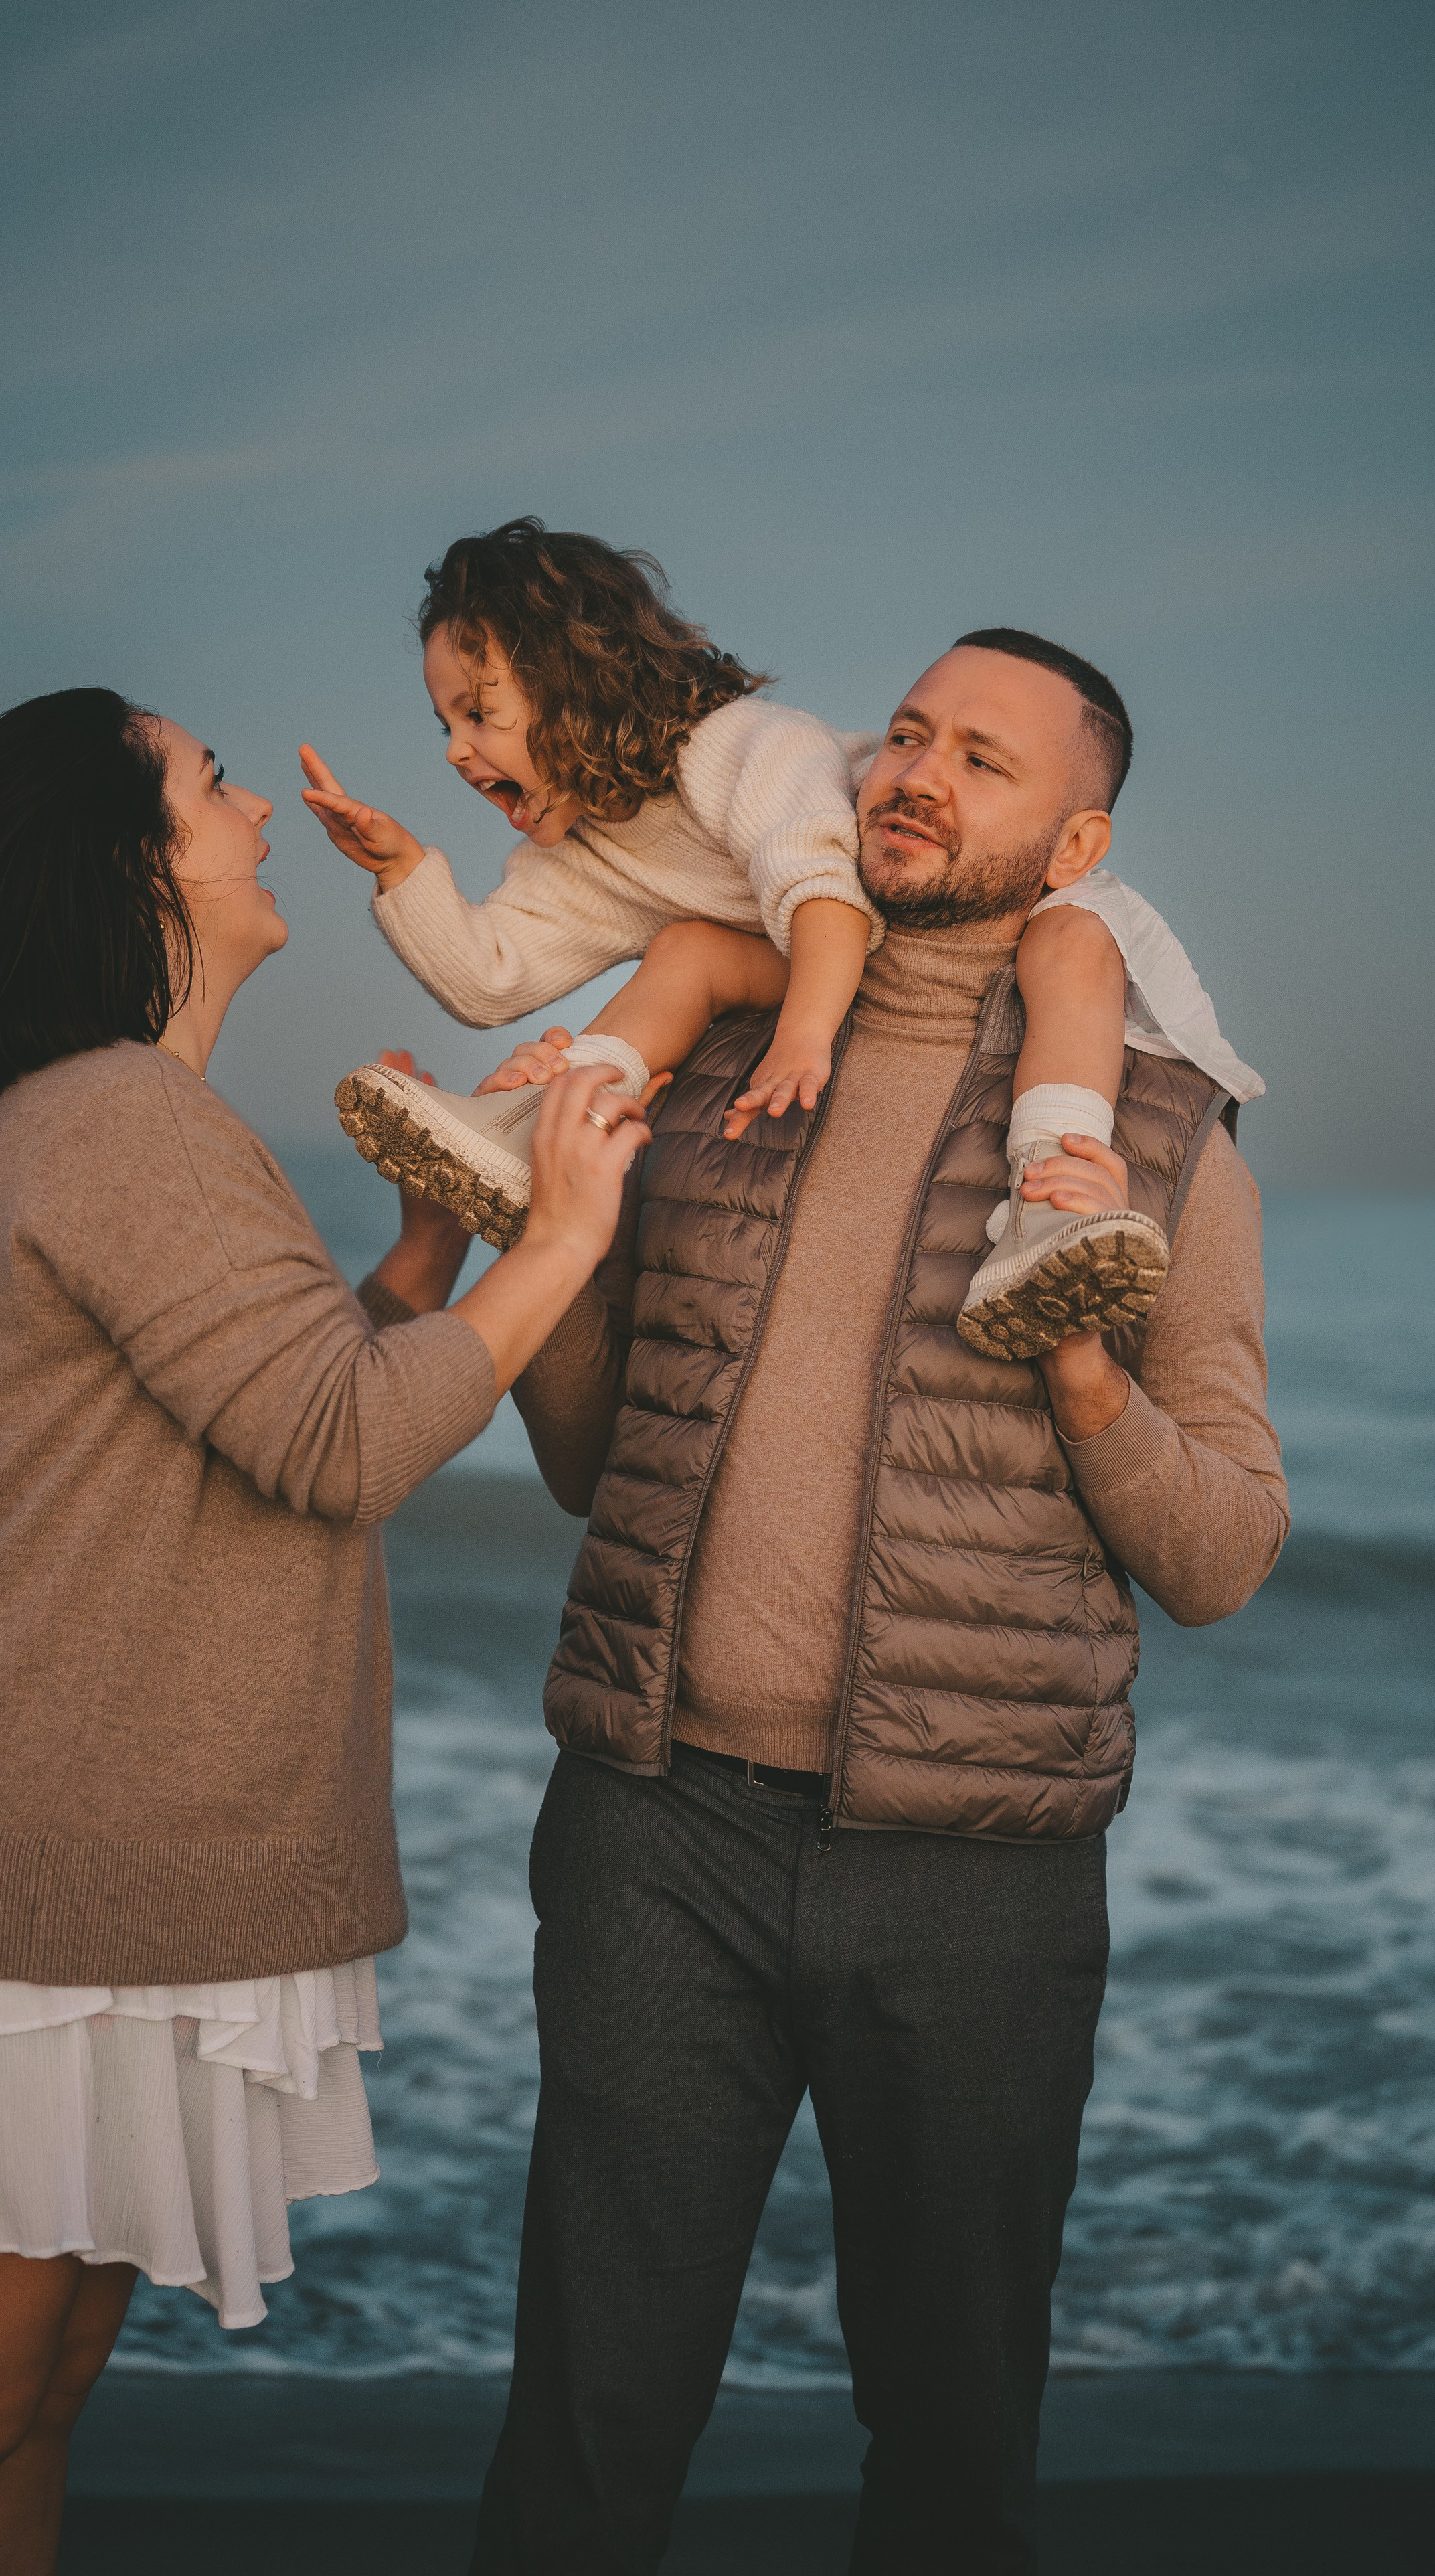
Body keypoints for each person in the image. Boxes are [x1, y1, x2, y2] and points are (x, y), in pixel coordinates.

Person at [0, 688, 647, 2576]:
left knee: (21, 2412)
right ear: (140, 856)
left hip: (86, 1873)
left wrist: (424, 1256)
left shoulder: (125, 1124)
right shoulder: (128, 1119)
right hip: (14, 1878)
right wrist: (564, 1227)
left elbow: (260, 1408)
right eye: (212, 782)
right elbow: (343, 1446)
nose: (253, 806)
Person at [463, 633, 1288, 2573]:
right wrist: (551, 1251)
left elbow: (1227, 1552)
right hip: (658, 1837)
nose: (916, 773)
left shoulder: (1152, 1138)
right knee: (586, 2423)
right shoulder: (716, 1063)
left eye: (980, 761)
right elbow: (594, 1460)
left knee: (949, 2445)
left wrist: (1086, 1372)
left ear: (1074, 837)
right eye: (906, 734)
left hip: (976, 1880)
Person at [300, 517, 1260, 1356]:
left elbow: (824, 894)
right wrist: (401, 871)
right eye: (446, 722)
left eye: (480, 713)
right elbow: (489, 982)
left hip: (885, 915)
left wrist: (804, 1036)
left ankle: (1047, 1212)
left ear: (576, 684)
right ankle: (539, 1128)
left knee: (1072, 944)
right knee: (685, 953)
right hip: (838, 947)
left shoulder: (742, 746)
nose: (456, 750)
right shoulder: (587, 856)